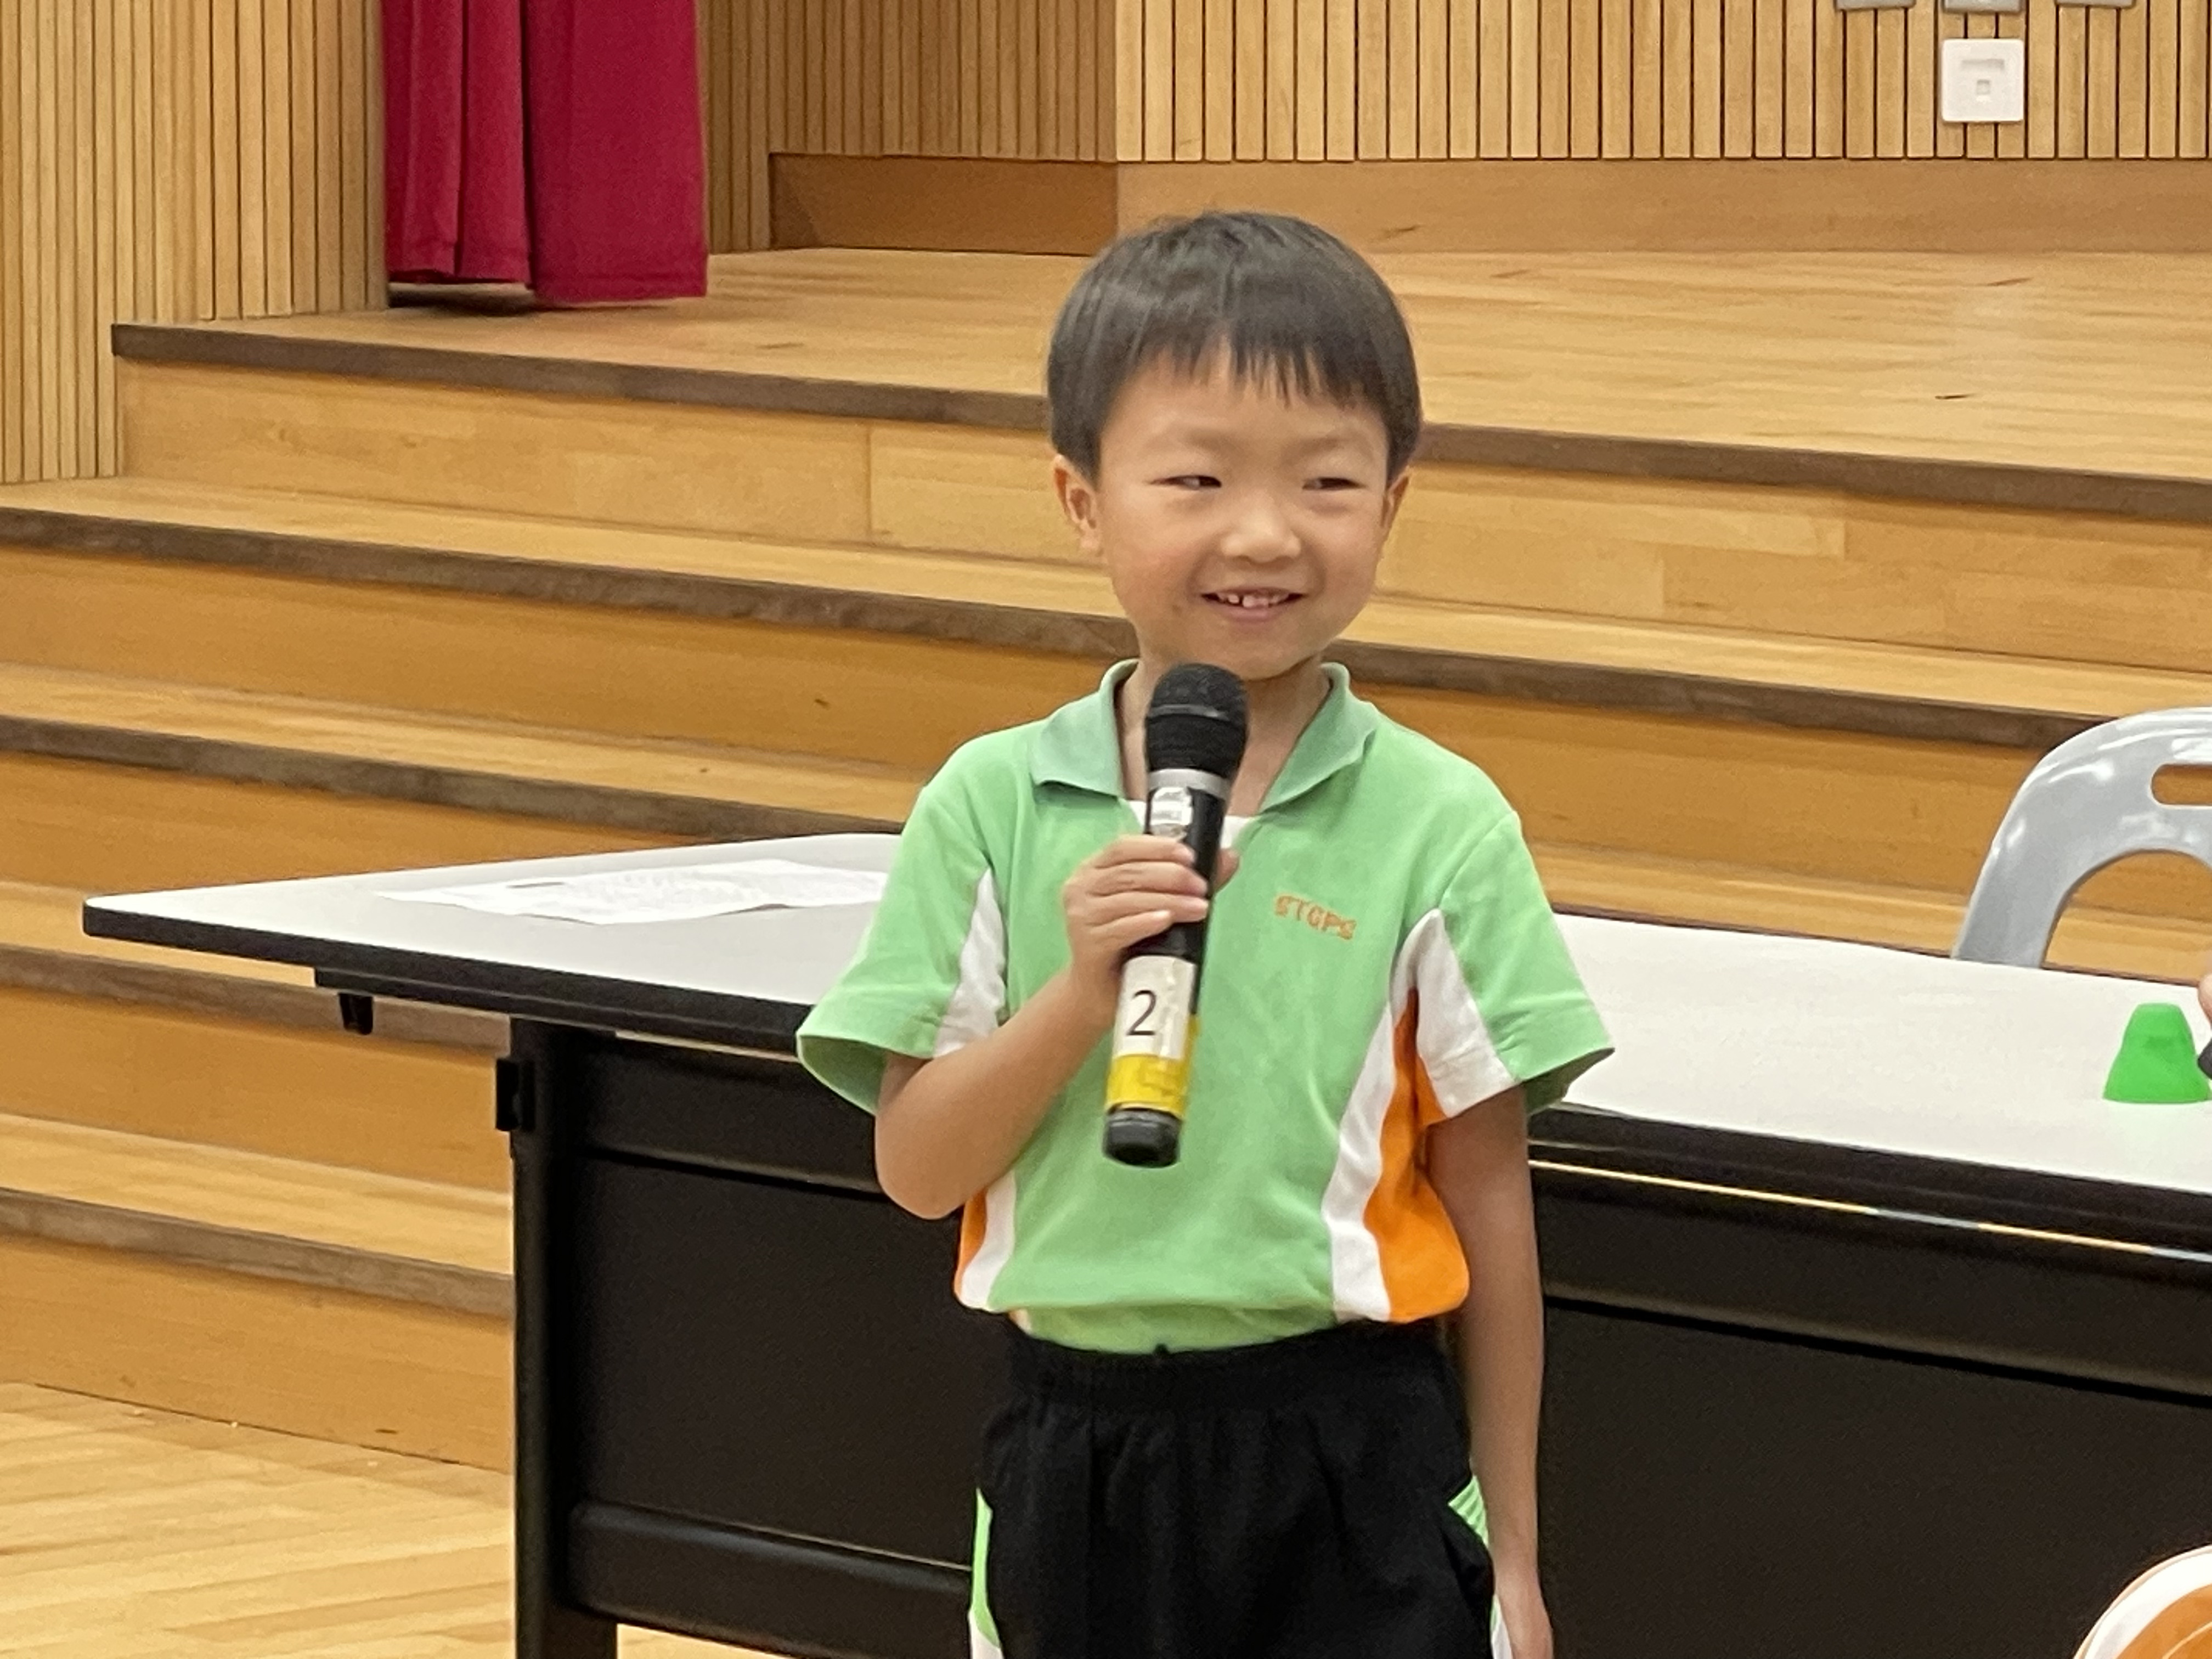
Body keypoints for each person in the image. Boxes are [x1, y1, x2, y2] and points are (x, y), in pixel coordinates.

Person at [797, 211, 1612, 1659]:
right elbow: (918, 1171)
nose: (1264, 532)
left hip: (1351, 1440)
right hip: (1077, 1452)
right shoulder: (992, 802)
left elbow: (1492, 1201)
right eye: (1197, 478)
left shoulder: (1439, 821)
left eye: (1326, 481)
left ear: (1393, 501)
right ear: (1082, 499)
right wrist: (1080, 994)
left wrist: (1522, 1560)